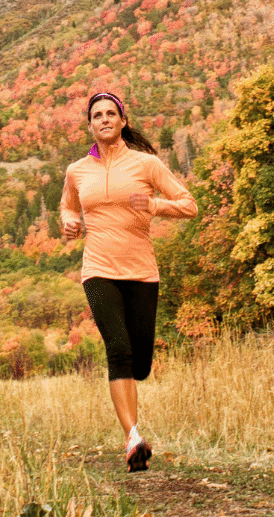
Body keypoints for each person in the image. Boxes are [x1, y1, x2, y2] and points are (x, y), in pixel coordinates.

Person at [59, 90, 197, 471]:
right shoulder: (77, 171)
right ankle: (133, 437)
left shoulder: (146, 164)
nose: (104, 119)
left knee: (139, 364)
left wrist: (154, 204)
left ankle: (133, 422)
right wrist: (68, 222)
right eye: (97, 115)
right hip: (98, 271)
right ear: (90, 126)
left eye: (110, 114)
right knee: (117, 349)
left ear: (122, 121)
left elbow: (189, 205)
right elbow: (69, 204)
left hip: (141, 271)